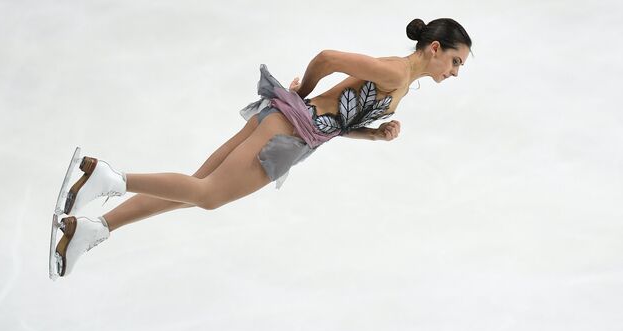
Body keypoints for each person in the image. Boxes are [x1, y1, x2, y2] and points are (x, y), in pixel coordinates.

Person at [51, 18, 472, 277]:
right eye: (455, 61)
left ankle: (95, 228)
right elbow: (327, 58)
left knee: (193, 187)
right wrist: (302, 94)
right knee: (208, 196)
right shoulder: (395, 72)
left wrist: (374, 134)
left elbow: (338, 118)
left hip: (283, 123)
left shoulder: (399, 83)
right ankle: (110, 178)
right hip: (286, 131)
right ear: (434, 48)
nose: (455, 72)